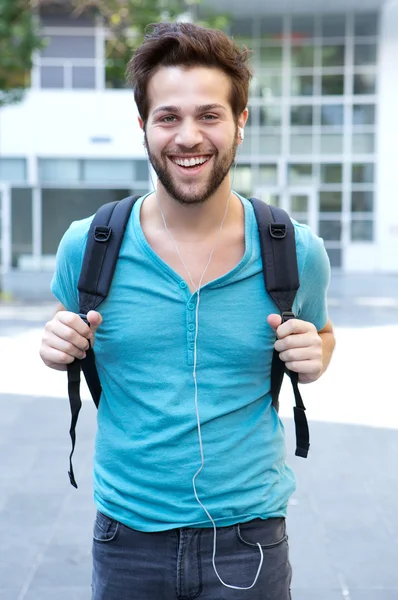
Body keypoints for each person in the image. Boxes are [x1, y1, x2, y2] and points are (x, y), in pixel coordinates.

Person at [40, 21, 335, 600]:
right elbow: (63, 326)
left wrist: (317, 354)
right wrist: (55, 345)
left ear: (240, 122)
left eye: (209, 115)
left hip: (250, 539)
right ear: (144, 128)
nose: (188, 136)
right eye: (168, 117)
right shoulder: (89, 245)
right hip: (127, 538)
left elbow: (322, 333)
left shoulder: (294, 248)